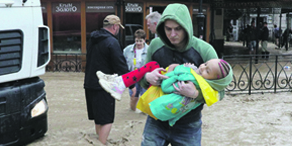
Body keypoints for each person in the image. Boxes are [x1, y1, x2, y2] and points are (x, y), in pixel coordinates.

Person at [133, 3, 232, 146]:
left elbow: (221, 90)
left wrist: (196, 95)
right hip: (157, 120)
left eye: (177, 29)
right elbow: (144, 77)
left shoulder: (204, 50)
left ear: (187, 27)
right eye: (168, 29)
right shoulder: (155, 46)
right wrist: (147, 77)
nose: (172, 34)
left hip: (188, 126)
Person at [97, 57, 231, 125]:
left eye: (207, 71)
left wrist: (174, 71)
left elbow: (220, 92)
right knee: (150, 67)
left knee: (151, 65)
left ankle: (120, 82)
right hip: (160, 95)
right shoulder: (199, 77)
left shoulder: (196, 81)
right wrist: (148, 77)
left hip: (161, 95)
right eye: (205, 64)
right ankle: (120, 81)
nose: (202, 68)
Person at [83, 15, 130, 145]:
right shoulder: (112, 42)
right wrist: (131, 83)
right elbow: (120, 65)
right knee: (107, 119)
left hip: (89, 84)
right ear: (115, 27)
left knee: (98, 118)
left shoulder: (92, 39)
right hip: (104, 86)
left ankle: (99, 141)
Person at [122, 29, 149, 112]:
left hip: (144, 76)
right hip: (132, 75)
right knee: (133, 95)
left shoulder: (149, 50)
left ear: (144, 40)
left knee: (145, 95)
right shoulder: (127, 50)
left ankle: (145, 111)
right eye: (137, 41)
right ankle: (132, 110)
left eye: (140, 41)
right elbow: (122, 61)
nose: (138, 43)